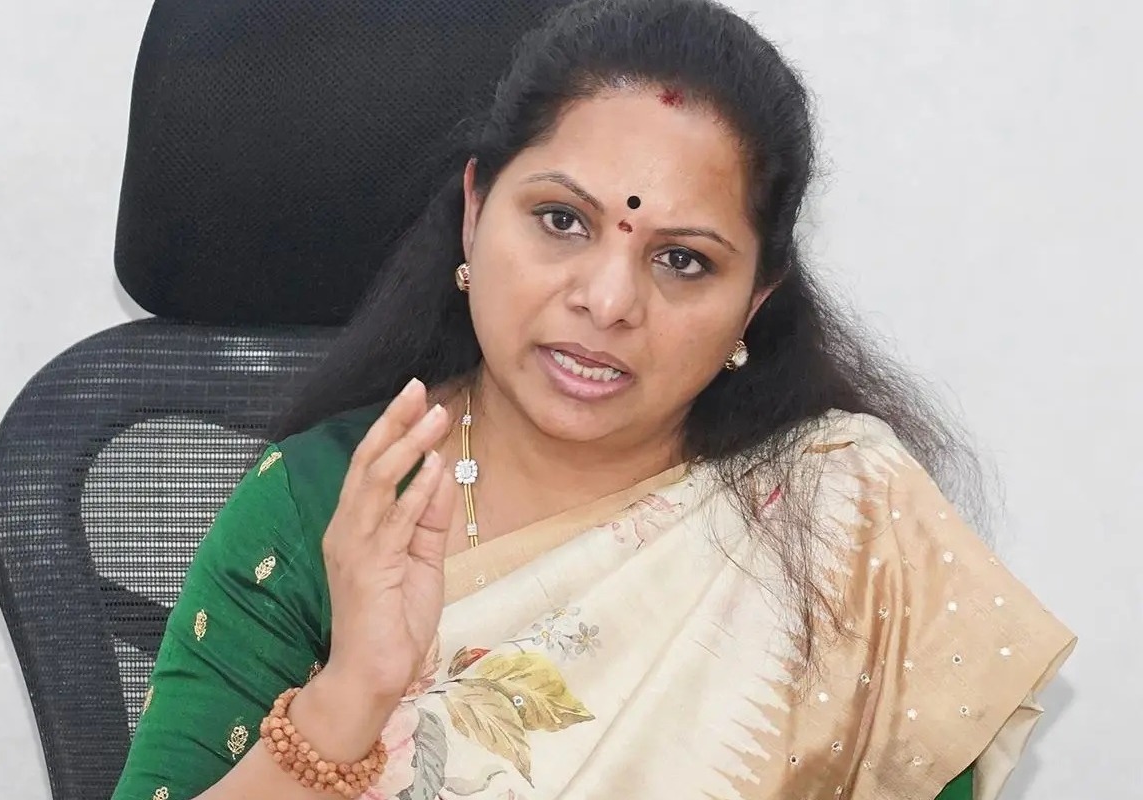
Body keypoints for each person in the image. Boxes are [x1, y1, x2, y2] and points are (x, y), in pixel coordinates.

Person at [111, 0, 1075, 798]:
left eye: (682, 260)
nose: (608, 301)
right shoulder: (326, 506)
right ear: (476, 211)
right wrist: (349, 699)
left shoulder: (846, 526)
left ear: (755, 300)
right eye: (562, 220)